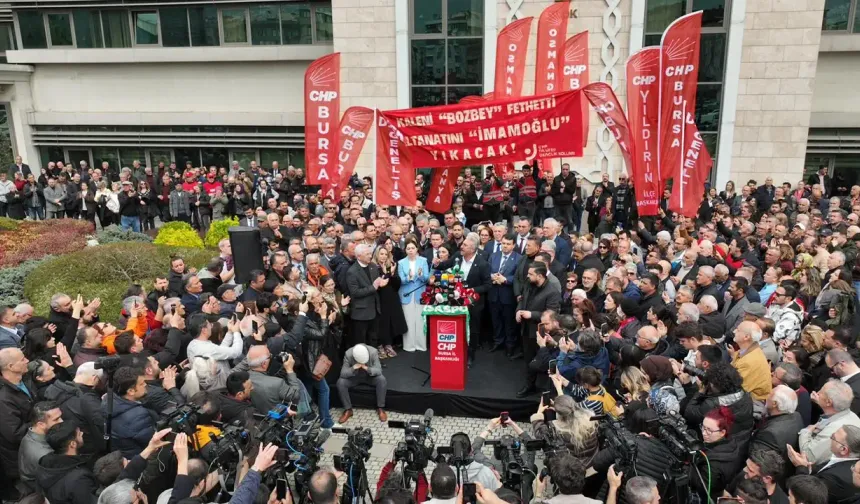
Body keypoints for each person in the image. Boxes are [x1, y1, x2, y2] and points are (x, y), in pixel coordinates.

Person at [788, 425, 860, 504]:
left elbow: (806, 493)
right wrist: (809, 468)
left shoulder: (835, 479)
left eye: (833, 437)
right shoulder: (843, 458)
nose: (830, 438)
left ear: (843, 450)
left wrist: (801, 467)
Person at [798, 380, 860, 465]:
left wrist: (805, 432)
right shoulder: (850, 415)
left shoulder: (835, 431)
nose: (817, 393)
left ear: (828, 402)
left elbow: (808, 457)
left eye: (821, 391)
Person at [105, 366, 156, 458]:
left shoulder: (108, 401)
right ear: (131, 391)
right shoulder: (138, 417)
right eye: (141, 383)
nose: (145, 384)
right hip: (142, 459)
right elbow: (153, 442)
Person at [246, 346, 306, 415]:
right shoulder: (278, 383)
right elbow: (295, 395)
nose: (272, 357)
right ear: (263, 364)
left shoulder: (243, 378)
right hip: (278, 418)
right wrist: (289, 370)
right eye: (270, 356)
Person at [336, 343, 387, 423]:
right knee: (340, 382)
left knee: (382, 380)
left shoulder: (373, 352)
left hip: (369, 376)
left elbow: (379, 370)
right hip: (354, 377)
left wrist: (367, 368)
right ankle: (348, 410)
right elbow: (343, 373)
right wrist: (353, 368)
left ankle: (381, 408)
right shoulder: (348, 354)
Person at [346, 243, 383, 347]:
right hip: (361, 313)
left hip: (374, 310)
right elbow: (355, 292)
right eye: (367, 254)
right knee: (361, 342)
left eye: (370, 254)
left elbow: (377, 284)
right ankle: (362, 362)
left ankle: (374, 361)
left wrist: (381, 284)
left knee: (373, 339)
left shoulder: (373, 266)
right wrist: (373, 287)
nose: (370, 256)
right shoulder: (352, 272)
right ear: (358, 256)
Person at [373, 245, 406, 358]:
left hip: (391, 297)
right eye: (381, 254)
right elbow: (380, 284)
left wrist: (391, 274)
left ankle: (388, 344)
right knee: (381, 322)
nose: (383, 256)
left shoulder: (391, 266)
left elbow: (397, 284)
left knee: (390, 322)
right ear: (377, 254)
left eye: (385, 254)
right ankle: (379, 345)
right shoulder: (373, 267)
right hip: (379, 298)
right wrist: (385, 273)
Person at [398, 240, 429, 353]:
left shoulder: (423, 261)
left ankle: (421, 345)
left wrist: (420, 276)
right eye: (408, 248)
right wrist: (409, 278)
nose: (411, 250)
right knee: (408, 320)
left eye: (412, 248)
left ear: (417, 249)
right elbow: (400, 280)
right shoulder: (401, 263)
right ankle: (409, 346)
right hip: (406, 294)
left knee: (421, 320)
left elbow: (427, 278)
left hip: (420, 293)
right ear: (405, 250)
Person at [731, 320, 774, 402]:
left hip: (751, 403)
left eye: (738, 330)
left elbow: (735, 388)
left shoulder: (749, 361)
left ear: (746, 337)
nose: (734, 331)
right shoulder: (746, 351)